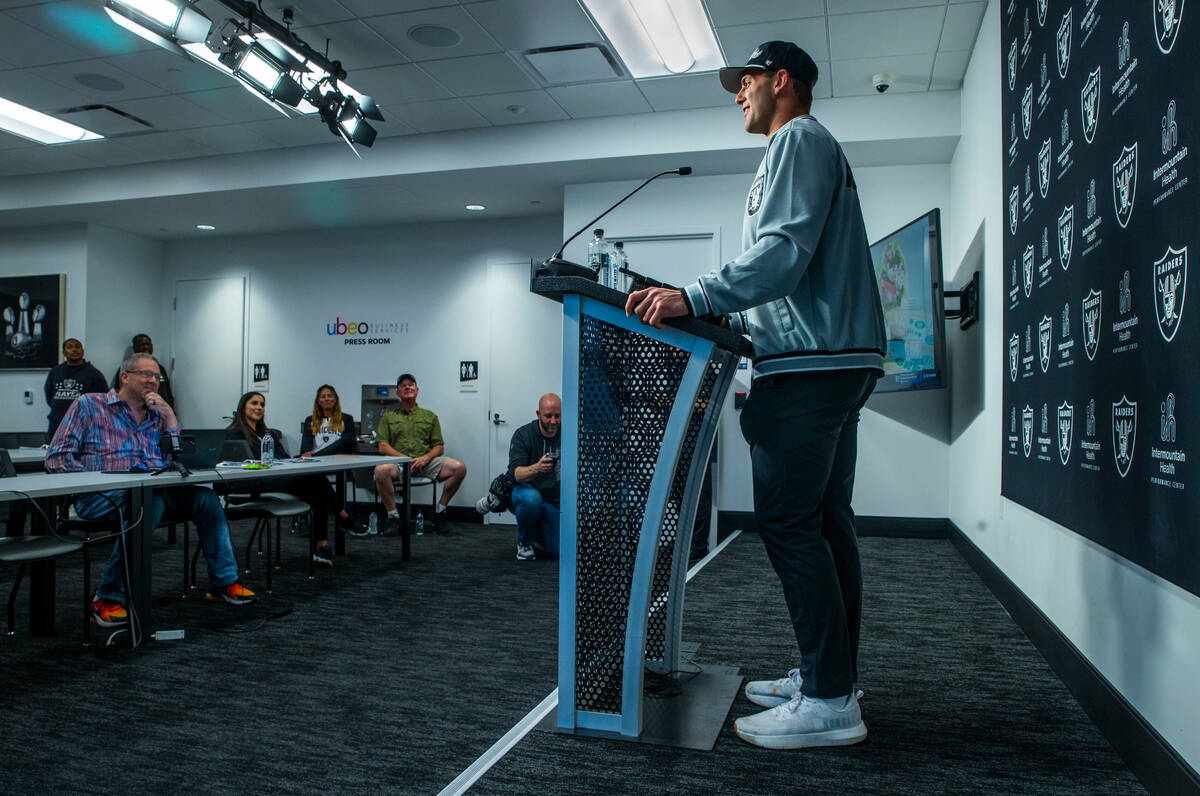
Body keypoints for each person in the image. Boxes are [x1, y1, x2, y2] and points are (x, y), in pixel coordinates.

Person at [625, 41, 886, 750]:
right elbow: (788, 274)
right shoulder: (806, 147)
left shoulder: (798, 139)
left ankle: (830, 701)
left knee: (789, 524)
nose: (736, 95)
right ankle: (829, 674)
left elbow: (779, 255)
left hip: (809, 368)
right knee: (827, 525)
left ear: (779, 81)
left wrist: (695, 296)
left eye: (744, 83)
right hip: (830, 361)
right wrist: (723, 313)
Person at [47, 353, 255, 626]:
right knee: (149, 503)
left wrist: (169, 417)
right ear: (125, 376)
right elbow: (57, 458)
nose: (153, 381)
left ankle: (223, 582)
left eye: (157, 377)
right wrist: (95, 482)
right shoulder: (89, 405)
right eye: (146, 374)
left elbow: (179, 457)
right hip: (100, 496)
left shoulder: (157, 415)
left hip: (151, 489)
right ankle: (107, 598)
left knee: (205, 498)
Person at [226, 392, 367, 567]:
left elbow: (283, 456)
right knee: (316, 482)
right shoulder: (235, 434)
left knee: (317, 487)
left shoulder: (266, 433)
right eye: (254, 403)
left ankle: (322, 546)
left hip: (275, 476)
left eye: (262, 405)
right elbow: (241, 462)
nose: (259, 408)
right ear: (243, 407)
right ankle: (342, 518)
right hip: (254, 482)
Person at [372, 373, 466, 534]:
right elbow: (383, 446)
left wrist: (425, 458)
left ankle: (439, 511)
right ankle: (393, 517)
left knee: (459, 468)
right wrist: (405, 459)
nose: (407, 387)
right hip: (399, 463)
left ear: (417, 390)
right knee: (379, 471)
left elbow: (438, 447)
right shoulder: (388, 417)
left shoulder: (429, 416)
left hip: (425, 462)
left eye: (411, 384)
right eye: (403, 385)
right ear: (398, 392)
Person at [507, 393, 561, 561]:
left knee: (559, 549)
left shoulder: (568, 434)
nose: (553, 421)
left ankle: (535, 524)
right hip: (524, 491)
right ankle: (524, 543)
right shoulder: (523, 434)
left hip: (551, 498)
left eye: (557, 416)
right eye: (548, 416)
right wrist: (537, 468)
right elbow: (515, 474)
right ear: (538, 414)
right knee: (531, 499)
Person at [43, 337, 107, 438]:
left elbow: (103, 398)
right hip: (57, 424)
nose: (74, 350)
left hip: (83, 426)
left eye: (78, 347)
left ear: (83, 351)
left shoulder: (94, 373)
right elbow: (49, 395)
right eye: (70, 347)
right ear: (64, 352)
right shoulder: (55, 372)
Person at [110, 333, 175, 414]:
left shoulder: (160, 368)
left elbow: (168, 393)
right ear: (135, 348)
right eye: (145, 374)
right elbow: (119, 393)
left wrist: (171, 411)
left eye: (148, 344)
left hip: (161, 415)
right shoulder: (127, 368)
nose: (146, 347)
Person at [300, 384, 357, 456]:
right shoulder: (309, 420)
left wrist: (319, 454)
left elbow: (346, 442)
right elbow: (306, 446)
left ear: (335, 399)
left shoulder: (347, 419)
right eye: (323, 397)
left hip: (338, 460)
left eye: (330, 396)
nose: (326, 399)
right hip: (315, 460)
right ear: (318, 401)